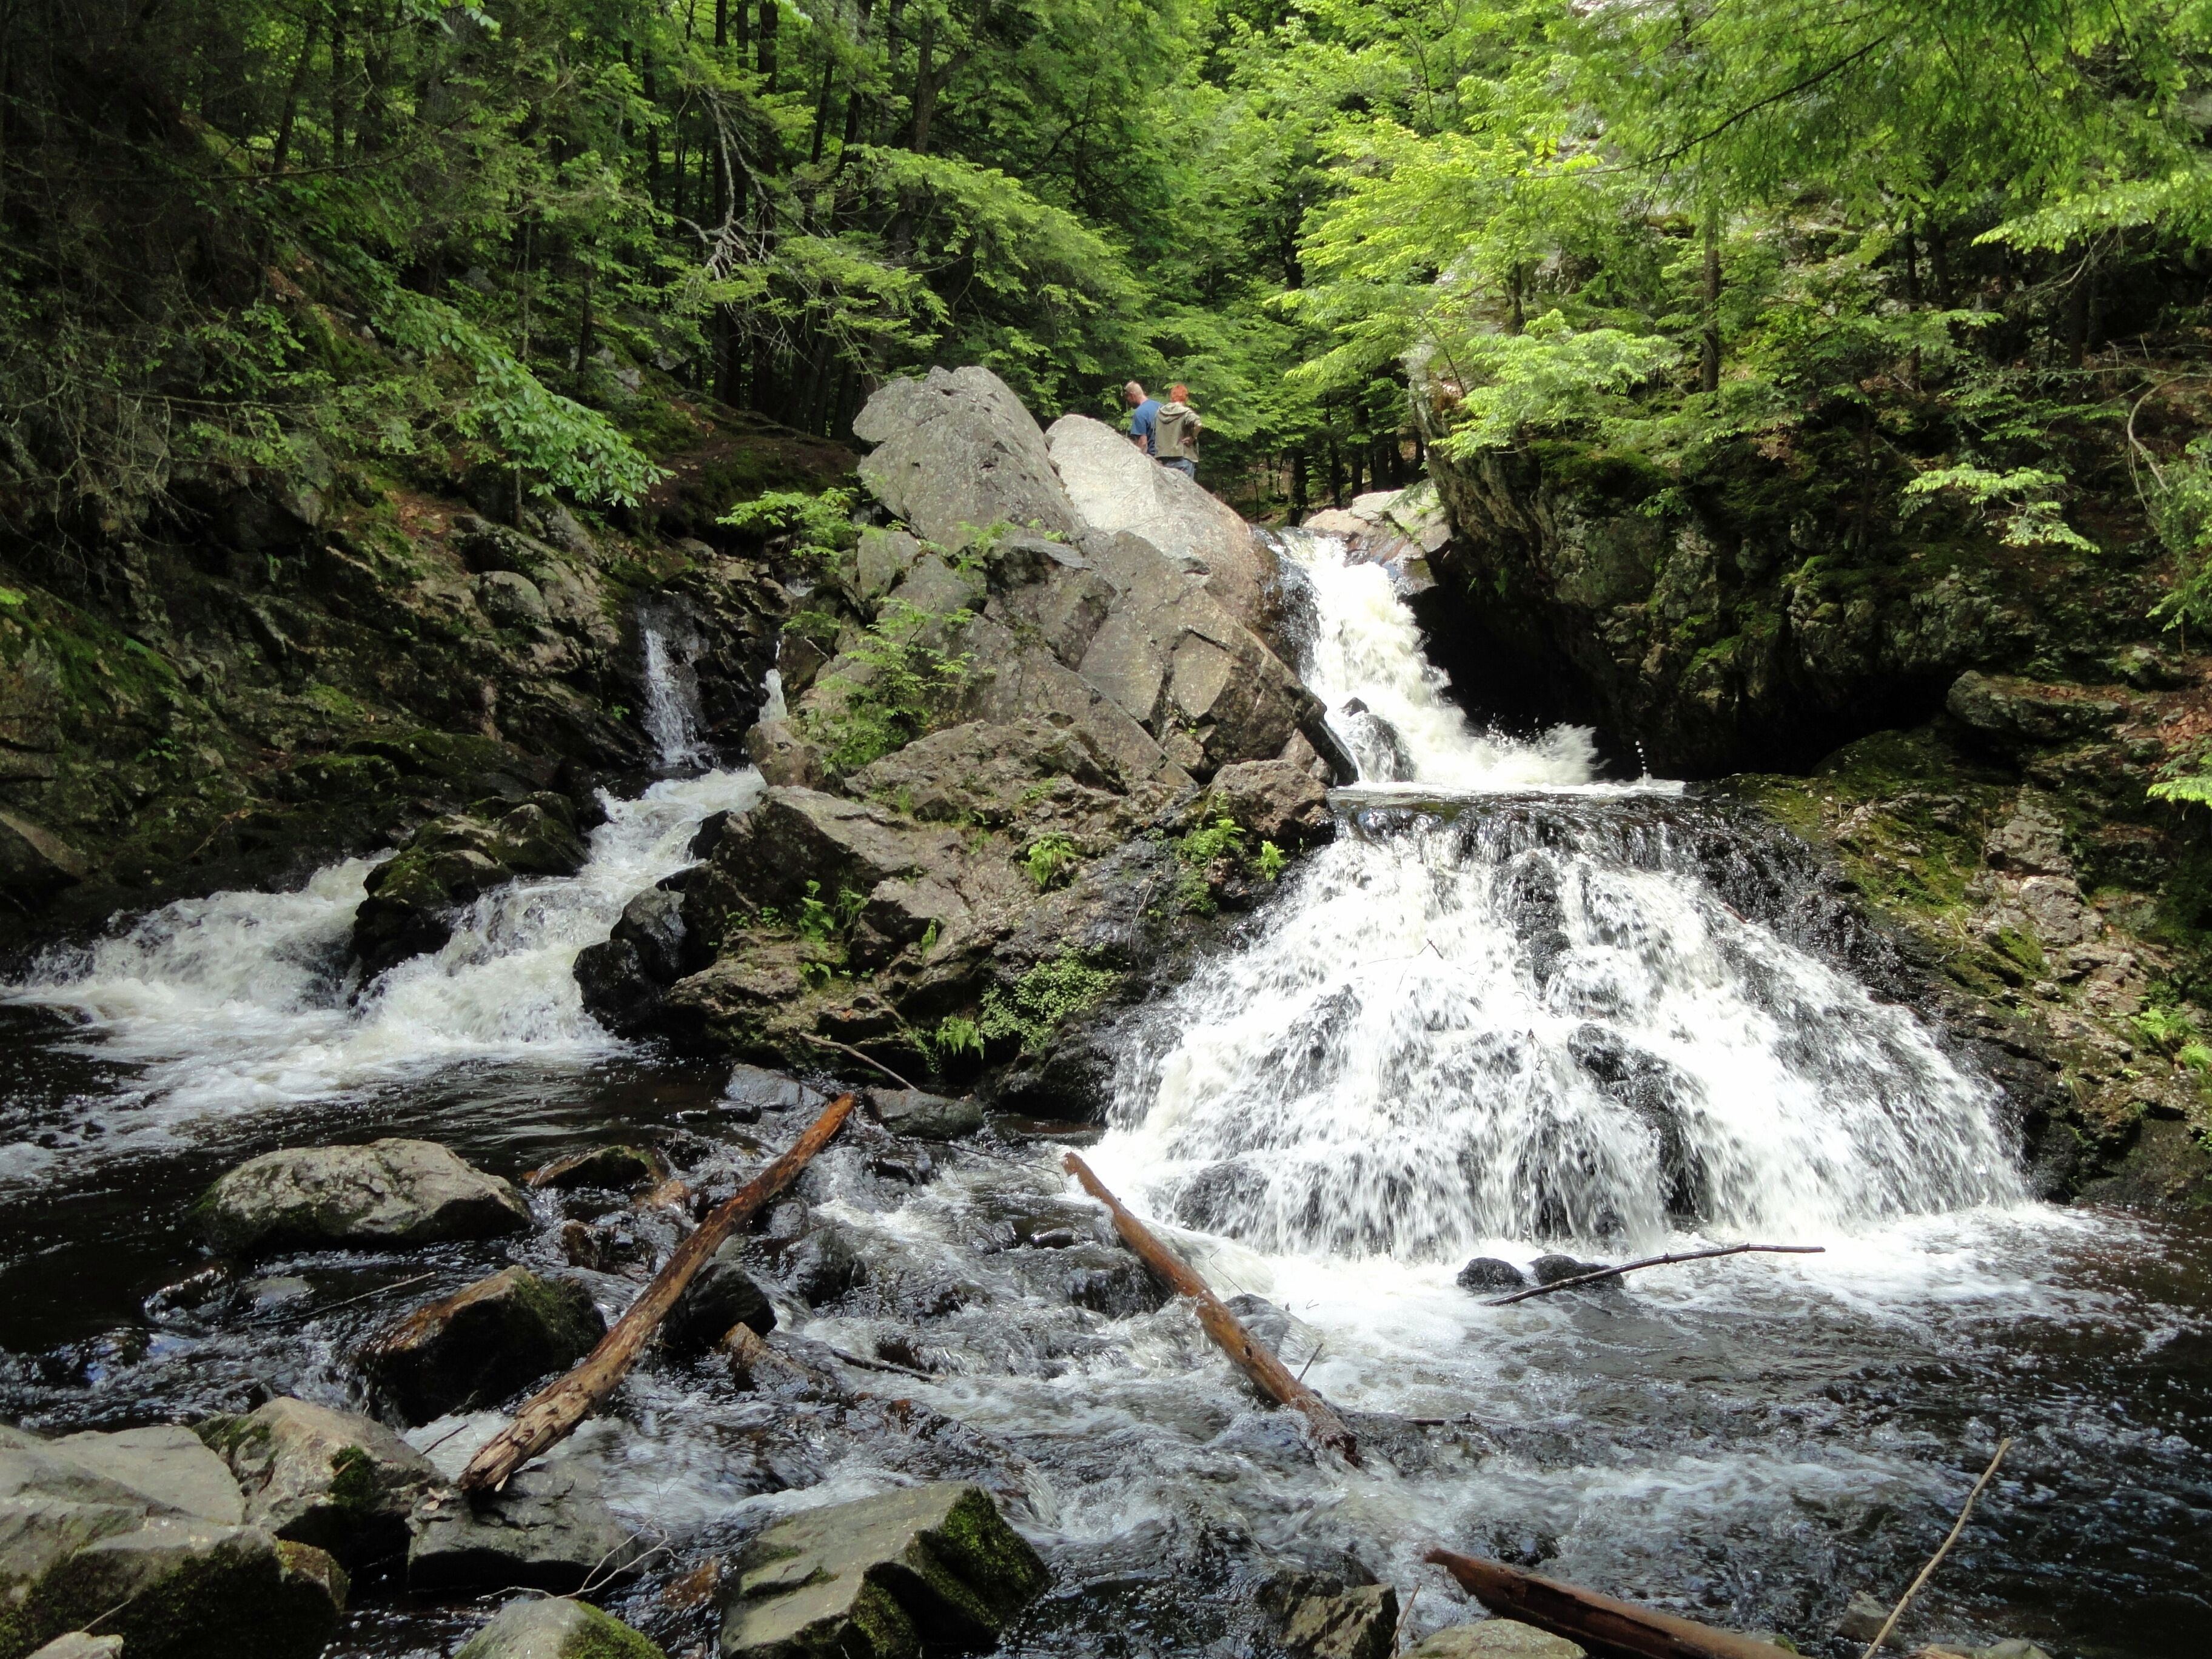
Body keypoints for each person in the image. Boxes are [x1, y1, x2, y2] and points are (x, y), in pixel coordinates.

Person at [1153, 384, 1201, 477]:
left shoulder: (1159, 413)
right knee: (1185, 491)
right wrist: (1192, 438)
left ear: (1171, 397)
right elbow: (1199, 424)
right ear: (1186, 398)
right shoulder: (1186, 412)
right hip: (1182, 458)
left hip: (1163, 460)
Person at [1125, 380, 1161, 454]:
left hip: (1154, 457)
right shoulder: (1161, 406)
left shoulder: (1140, 412)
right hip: (1167, 456)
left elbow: (1143, 443)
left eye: (1128, 398)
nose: (1129, 402)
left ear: (1132, 396)